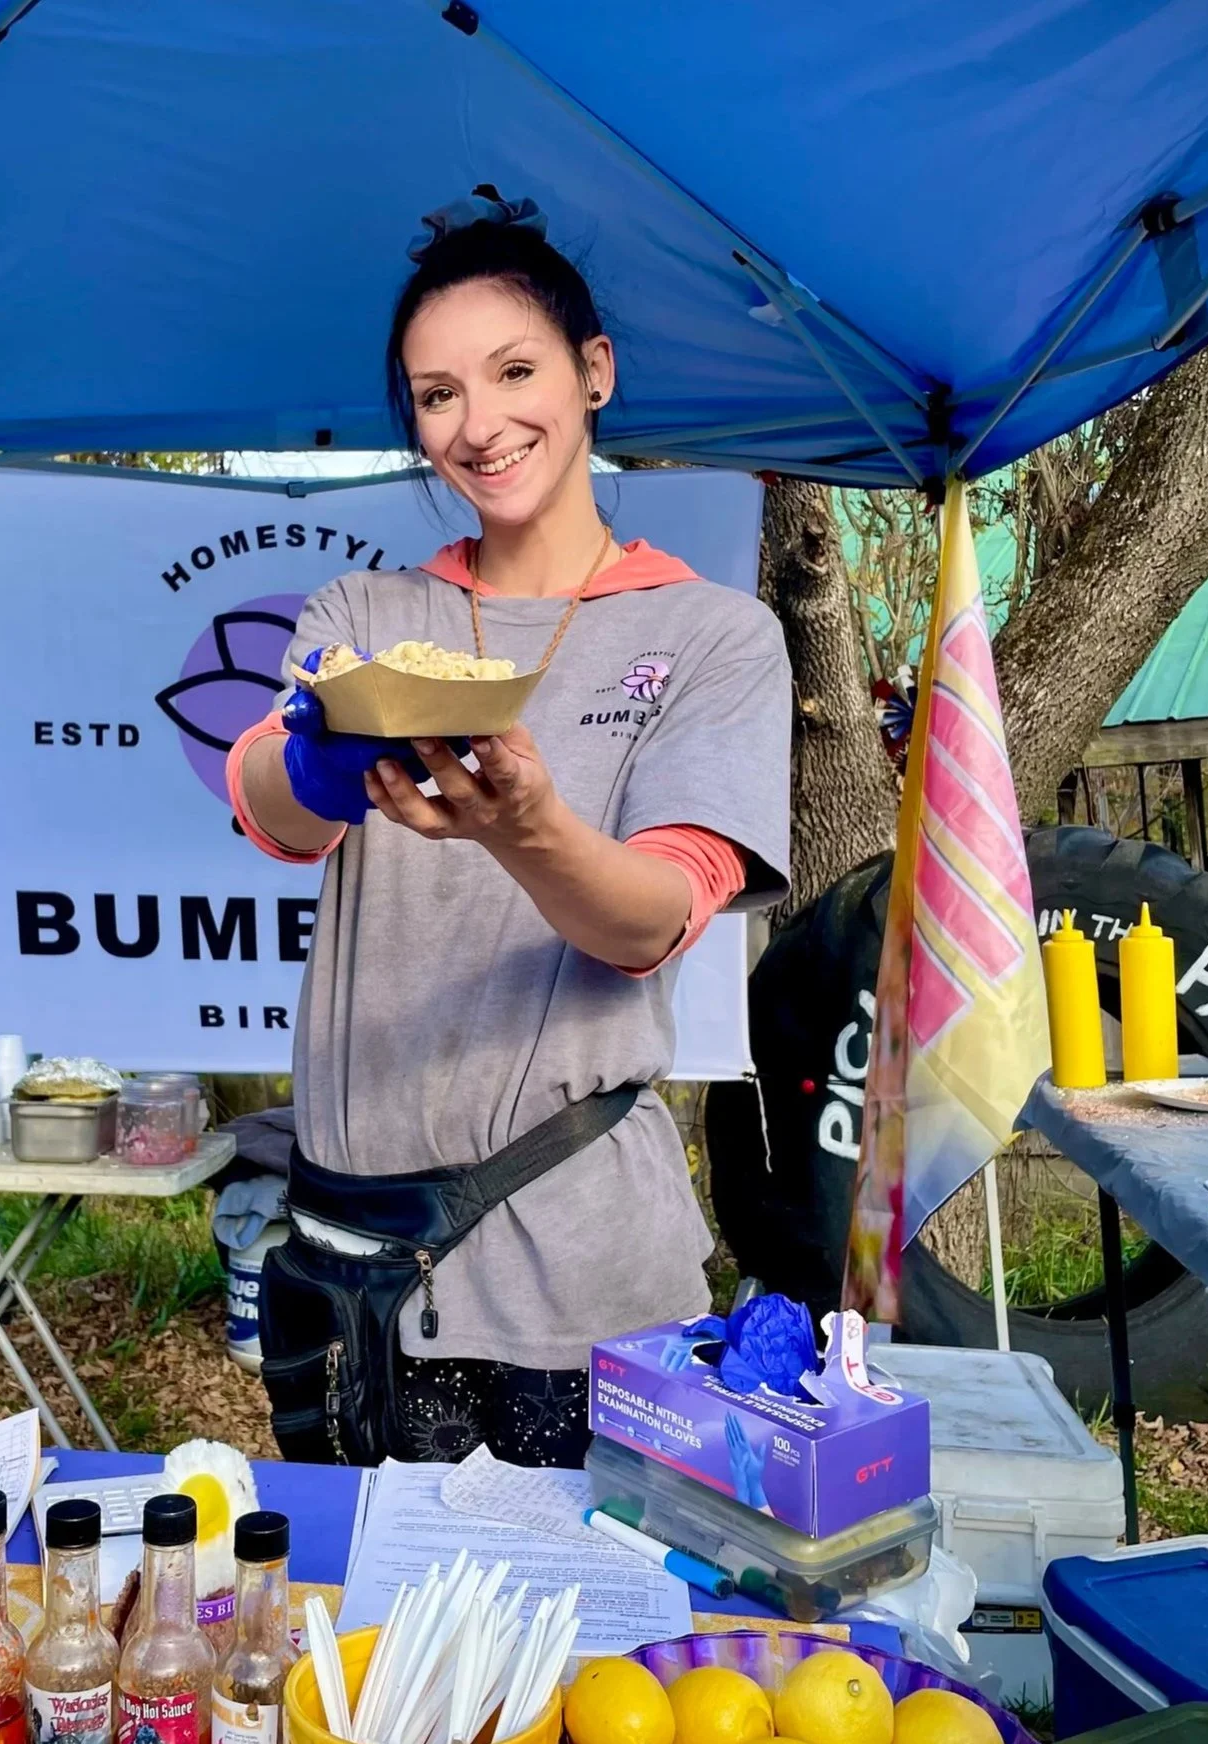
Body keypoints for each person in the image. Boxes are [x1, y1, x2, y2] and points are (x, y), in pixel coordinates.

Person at [225, 189, 791, 1470]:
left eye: (514, 371)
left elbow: (655, 917)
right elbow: (266, 806)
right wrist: (319, 760)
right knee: (370, 1651)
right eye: (435, 396)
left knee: (581, 1666)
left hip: (575, 1287)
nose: (478, 426)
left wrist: (524, 826)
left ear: (593, 374)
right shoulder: (364, 612)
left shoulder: (709, 636)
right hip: (352, 1276)